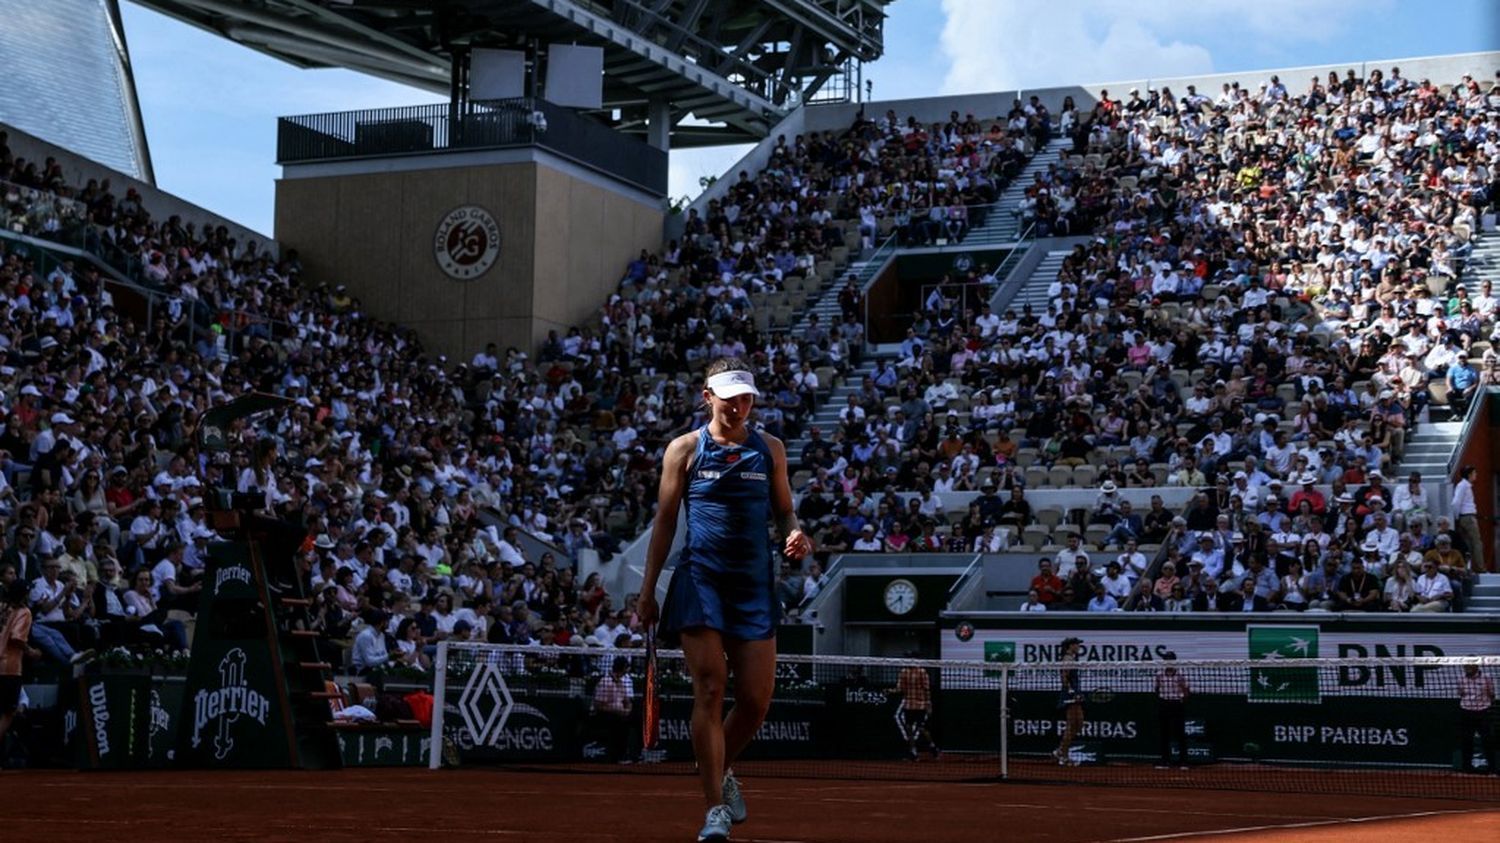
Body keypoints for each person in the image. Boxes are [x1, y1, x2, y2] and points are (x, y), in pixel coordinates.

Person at [638, 358, 812, 842]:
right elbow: (665, 523)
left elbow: (784, 512)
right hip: (700, 581)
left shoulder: (770, 449)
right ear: (707, 395)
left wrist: (795, 535)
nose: (739, 406)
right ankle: (715, 809)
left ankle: (721, 769)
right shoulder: (684, 450)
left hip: (754, 585)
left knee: (756, 701)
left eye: (747, 397)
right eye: (730, 396)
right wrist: (648, 590)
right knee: (711, 690)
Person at [0, 579, 33, 753]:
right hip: (9, 668)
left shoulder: (2, 607)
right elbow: (17, 638)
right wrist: (31, 651)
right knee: (8, 712)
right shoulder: (24, 612)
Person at [591, 656, 635, 764]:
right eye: (627, 668)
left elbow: (627, 701)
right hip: (604, 714)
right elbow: (598, 705)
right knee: (619, 722)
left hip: (620, 713)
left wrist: (628, 710)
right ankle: (619, 755)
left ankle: (638, 753)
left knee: (636, 718)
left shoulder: (621, 682)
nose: (627, 670)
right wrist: (618, 711)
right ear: (624, 667)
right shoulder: (605, 682)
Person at [895, 656, 940, 760]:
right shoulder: (903, 672)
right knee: (908, 727)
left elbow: (926, 689)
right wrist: (890, 691)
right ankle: (913, 752)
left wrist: (928, 704)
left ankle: (932, 746)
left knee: (921, 728)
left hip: (920, 705)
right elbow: (900, 688)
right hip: (908, 705)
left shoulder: (922, 672)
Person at [1457, 663, 1496, 774]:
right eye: (1465, 666)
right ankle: (1466, 768)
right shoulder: (1461, 679)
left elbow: (1492, 694)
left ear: (1476, 666)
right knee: (1466, 741)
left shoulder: (1487, 678)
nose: (1466, 668)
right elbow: (1461, 694)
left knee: (1487, 741)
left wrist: (1484, 706)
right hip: (1466, 712)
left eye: (1469, 666)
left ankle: (1492, 769)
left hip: (1483, 713)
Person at [1052, 637, 1086, 765]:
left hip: (1075, 694)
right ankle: (1064, 755)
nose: (1078, 647)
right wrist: (1071, 692)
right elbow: (1064, 676)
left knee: (1079, 724)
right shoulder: (1067, 659)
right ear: (1070, 646)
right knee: (1072, 725)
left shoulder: (1072, 658)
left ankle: (1060, 750)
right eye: (1077, 644)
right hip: (1070, 695)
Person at [1154, 652, 1190, 768]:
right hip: (1164, 704)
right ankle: (1165, 761)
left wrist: (1181, 700)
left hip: (1176, 705)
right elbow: (1157, 688)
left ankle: (1183, 761)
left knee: (1179, 733)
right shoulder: (1159, 675)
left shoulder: (1181, 675)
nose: (1167, 662)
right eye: (1166, 660)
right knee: (1164, 733)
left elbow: (1186, 691)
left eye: (1170, 660)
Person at [1452, 466, 1485, 573]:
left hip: (1465, 517)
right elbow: (1456, 502)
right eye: (1474, 473)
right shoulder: (1463, 486)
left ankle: (1471, 568)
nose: (1476, 475)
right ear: (1469, 474)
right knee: (1476, 543)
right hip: (1467, 517)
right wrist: (1456, 517)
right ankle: (1480, 568)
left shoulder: (1464, 486)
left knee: (1469, 544)